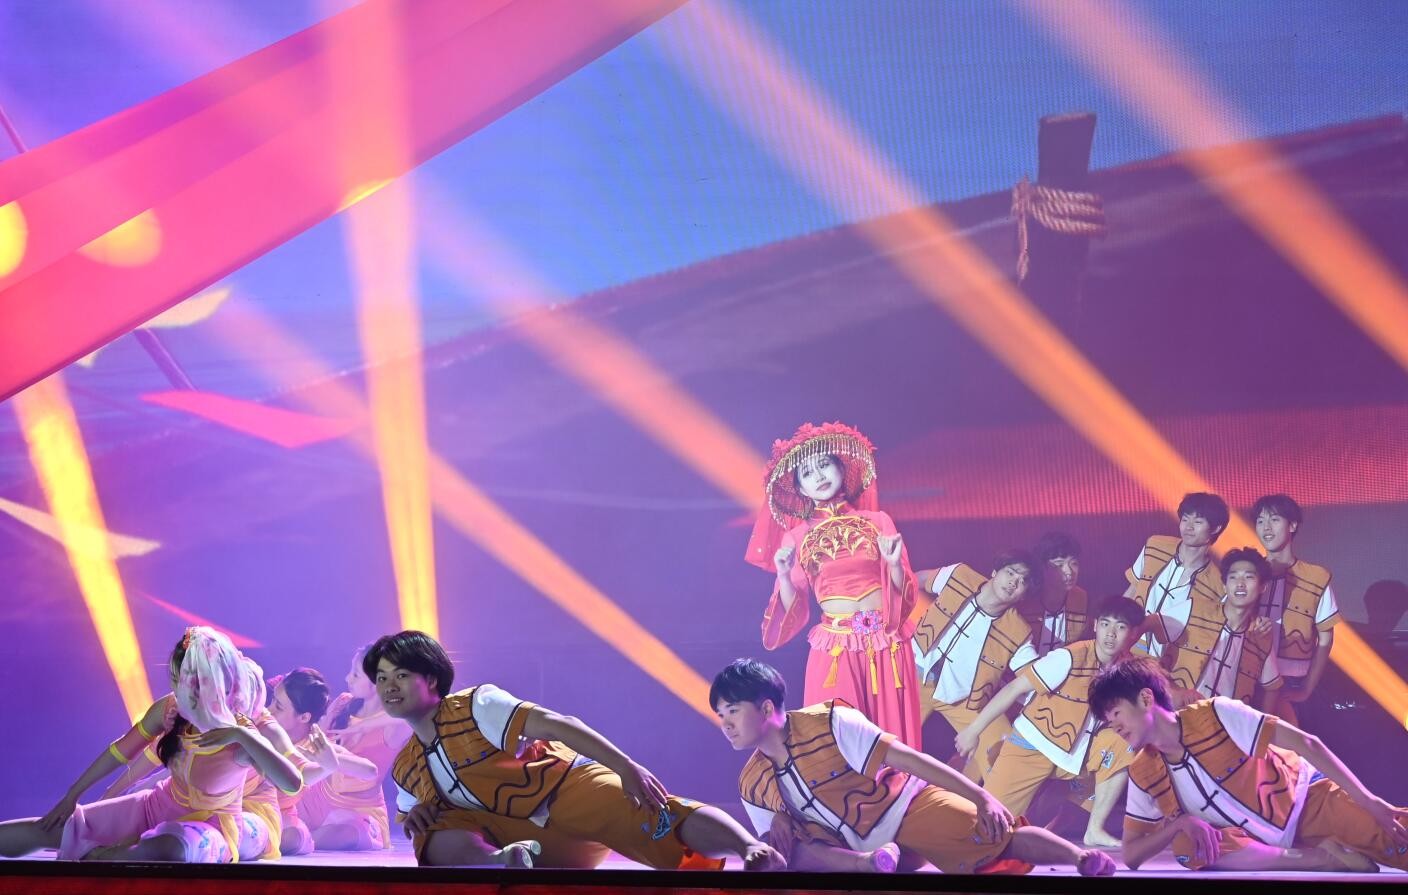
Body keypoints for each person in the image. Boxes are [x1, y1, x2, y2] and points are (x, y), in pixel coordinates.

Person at [371, 630, 784, 870]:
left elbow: (561, 724)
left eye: (401, 675)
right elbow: (412, 817)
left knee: (658, 812)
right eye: (383, 678)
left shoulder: (476, 704)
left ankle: (749, 847)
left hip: (566, 793)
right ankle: (501, 863)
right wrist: (415, 816)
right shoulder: (406, 766)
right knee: (432, 833)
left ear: (431, 679)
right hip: (523, 845)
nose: (389, 686)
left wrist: (625, 767)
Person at [712, 658, 1115, 876]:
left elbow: (912, 761)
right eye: (720, 714)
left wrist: (981, 797)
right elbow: (770, 849)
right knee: (792, 853)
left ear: (766, 707)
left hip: (904, 811)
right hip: (852, 851)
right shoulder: (751, 781)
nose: (725, 723)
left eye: (732, 710)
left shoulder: (830, 721)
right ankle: (869, 864)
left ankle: (1081, 859)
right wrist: (777, 825)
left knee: (997, 836)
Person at [0, 627, 300, 863]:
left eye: (190, 682)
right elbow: (119, 752)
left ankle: (110, 857)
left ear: (215, 682)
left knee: (170, 847)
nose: (180, 690)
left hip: (213, 826)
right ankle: (108, 852)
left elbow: (292, 783)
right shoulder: (169, 708)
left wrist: (241, 736)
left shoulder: (241, 732)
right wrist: (72, 796)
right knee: (55, 828)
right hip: (155, 806)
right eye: (176, 680)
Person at [1090, 657, 1408, 871]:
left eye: (1116, 713)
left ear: (1146, 699)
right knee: (1189, 847)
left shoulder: (1216, 713)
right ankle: (1321, 859)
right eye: (1107, 720)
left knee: (1397, 838)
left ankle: (1342, 844)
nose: (1113, 725)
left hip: (1309, 803)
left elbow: (1307, 743)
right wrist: (1178, 824)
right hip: (1263, 845)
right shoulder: (1143, 770)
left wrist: (1370, 802)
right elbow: (1131, 855)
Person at [746, 422, 921, 746]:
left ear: (841, 468)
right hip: (836, 648)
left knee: (892, 745)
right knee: (839, 741)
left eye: (824, 464)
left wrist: (895, 563)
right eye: (807, 473)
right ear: (800, 489)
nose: (819, 476)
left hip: (887, 643)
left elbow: (904, 595)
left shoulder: (878, 521)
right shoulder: (797, 537)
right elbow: (793, 606)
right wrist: (783, 574)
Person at [955, 597, 1144, 848]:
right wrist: (973, 730)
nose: (1111, 633)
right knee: (987, 829)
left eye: (1120, 627)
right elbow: (1013, 689)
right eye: (1105, 624)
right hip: (1034, 747)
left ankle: (1094, 830)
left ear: (1133, 633)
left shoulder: (1126, 667)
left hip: (1078, 755)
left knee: (1123, 743)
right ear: (1095, 625)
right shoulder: (1069, 657)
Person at [909, 551, 1039, 781]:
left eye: (1022, 582)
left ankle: (978, 800)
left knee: (1004, 755)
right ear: (995, 572)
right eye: (1011, 573)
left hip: (964, 700)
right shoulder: (960, 575)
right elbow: (917, 580)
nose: (1013, 582)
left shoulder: (1018, 631)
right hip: (913, 676)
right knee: (882, 737)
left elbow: (1033, 678)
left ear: (1023, 596)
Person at [301, 644, 411, 851]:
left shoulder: (393, 726)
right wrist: (327, 719)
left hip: (360, 811)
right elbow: (312, 749)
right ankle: (297, 836)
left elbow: (416, 712)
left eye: (355, 674)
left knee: (347, 833)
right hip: (319, 799)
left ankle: (300, 839)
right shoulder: (344, 707)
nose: (347, 678)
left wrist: (364, 725)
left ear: (379, 680)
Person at [261, 668, 378, 856]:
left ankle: (303, 840)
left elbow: (370, 771)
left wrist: (327, 761)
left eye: (279, 707)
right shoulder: (264, 735)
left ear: (304, 717)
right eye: (273, 701)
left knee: (348, 831)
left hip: (328, 823)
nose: (269, 710)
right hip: (288, 820)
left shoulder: (315, 745)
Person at [1252, 495, 1341, 726]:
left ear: (1292, 525)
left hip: (1291, 683)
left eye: (1274, 519)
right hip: (1249, 678)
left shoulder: (1315, 577)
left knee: (1291, 745)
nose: (1266, 527)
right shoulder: (1247, 573)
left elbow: (1325, 640)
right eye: (1260, 521)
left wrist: (1306, 689)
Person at [1124, 493, 1228, 688]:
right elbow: (1132, 590)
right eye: (1185, 519)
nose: (1188, 527)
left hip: (1168, 667)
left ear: (1215, 528)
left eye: (1198, 522)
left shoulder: (1218, 584)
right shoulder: (1155, 546)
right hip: (1129, 650)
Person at [1165, 548, 1281, 709]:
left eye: (1249, 577)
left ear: (1262, 586)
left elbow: (1272, 687)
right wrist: (1173, 693)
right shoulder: (1193, 609)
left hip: (1223, 721)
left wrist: (1258, 722)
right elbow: (1152, 645)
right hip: (1177, 714)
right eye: (1233, 577)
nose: (1240, 584)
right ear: (1225, 586)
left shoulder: (1260, 636)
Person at [1022, 532, 1090, 656]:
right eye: (1059, 565)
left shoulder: (1083, 599)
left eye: (1074, 563)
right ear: (1042, 568)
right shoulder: (1025, 600)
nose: (1069, 572)